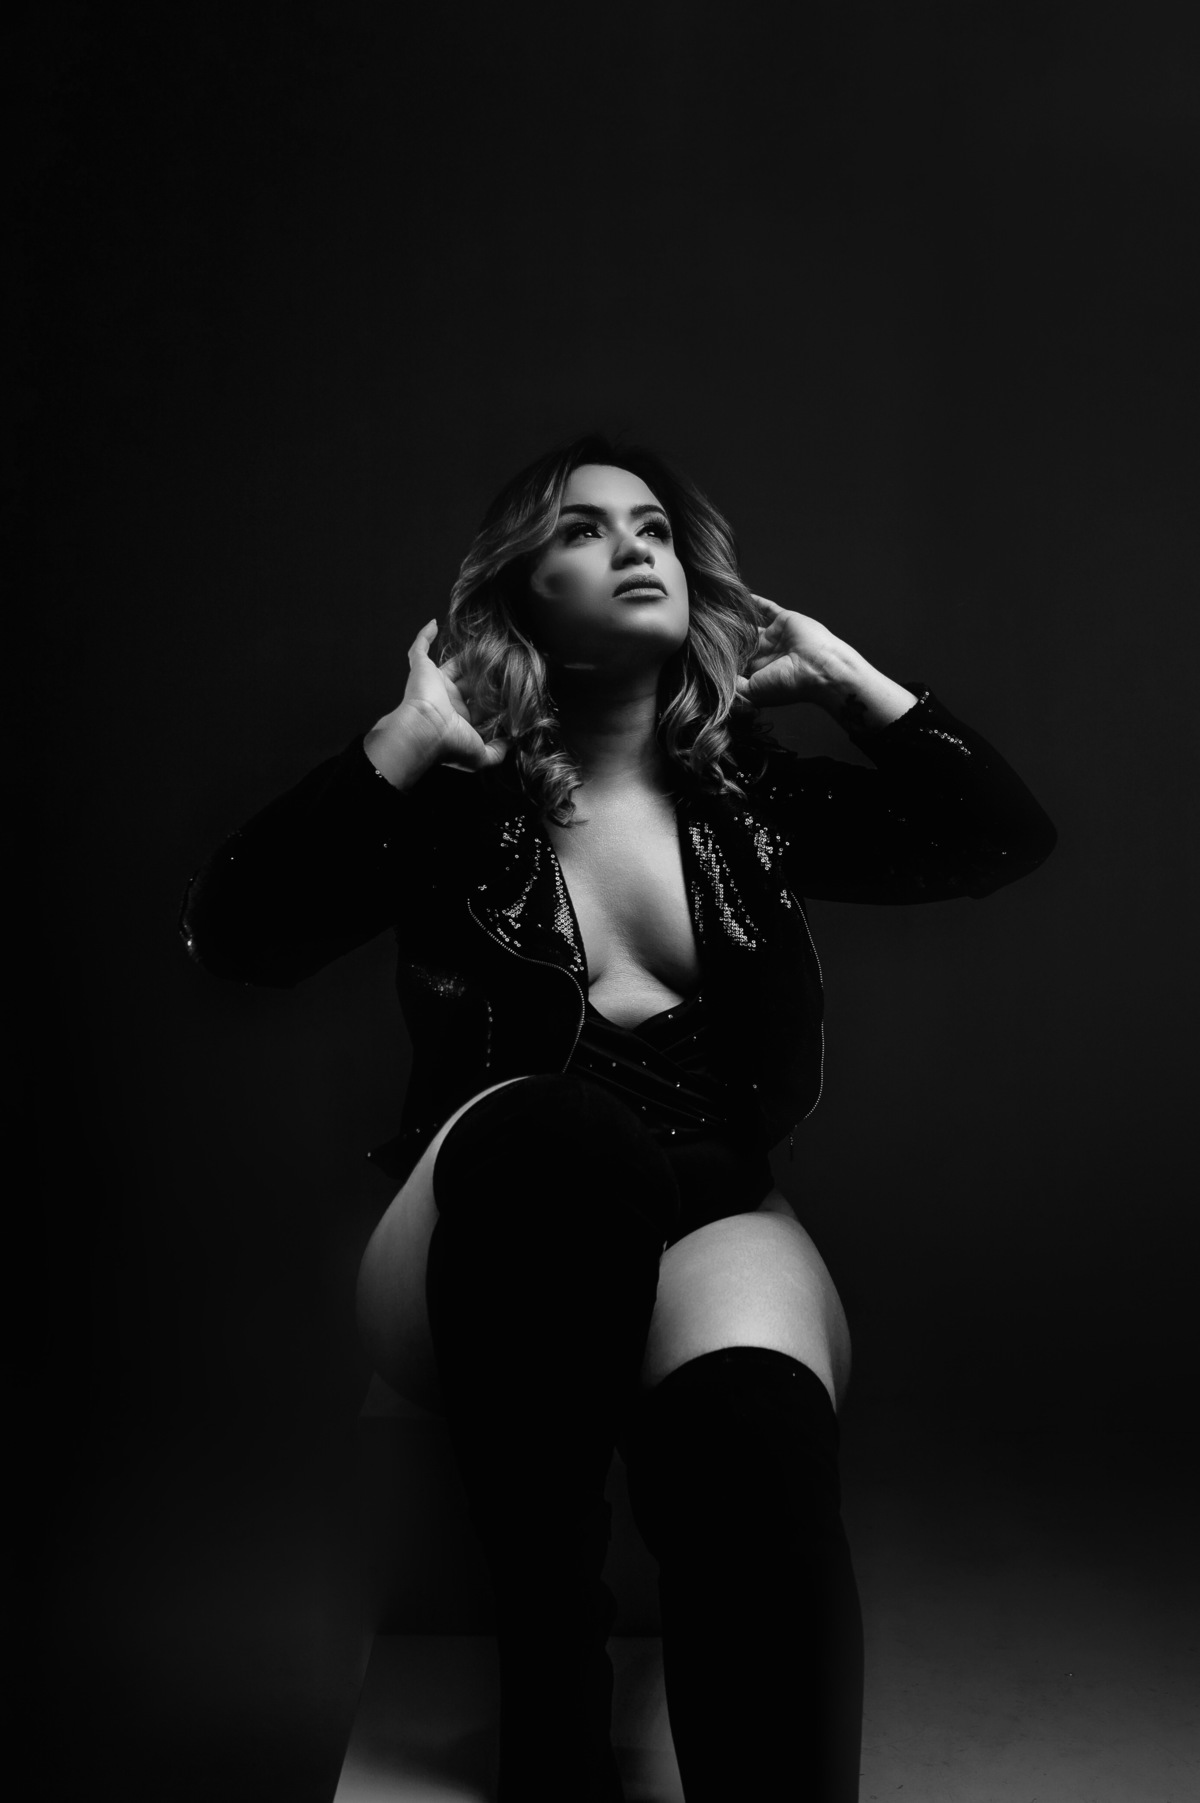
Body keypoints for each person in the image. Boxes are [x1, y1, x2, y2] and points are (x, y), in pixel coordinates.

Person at [180, 435, 1056, 1802]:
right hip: (475, 1237)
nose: (633, 546)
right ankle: (554, 1692)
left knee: (758, 1444)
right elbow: (238, 935)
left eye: (651, 527)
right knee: (565, 1141)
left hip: (709, 1219)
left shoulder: (755, 802)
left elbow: (999, 837)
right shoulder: (452, 805)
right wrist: (404, 742)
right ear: (517, 595)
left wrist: (847, 679)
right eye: (582, 532)